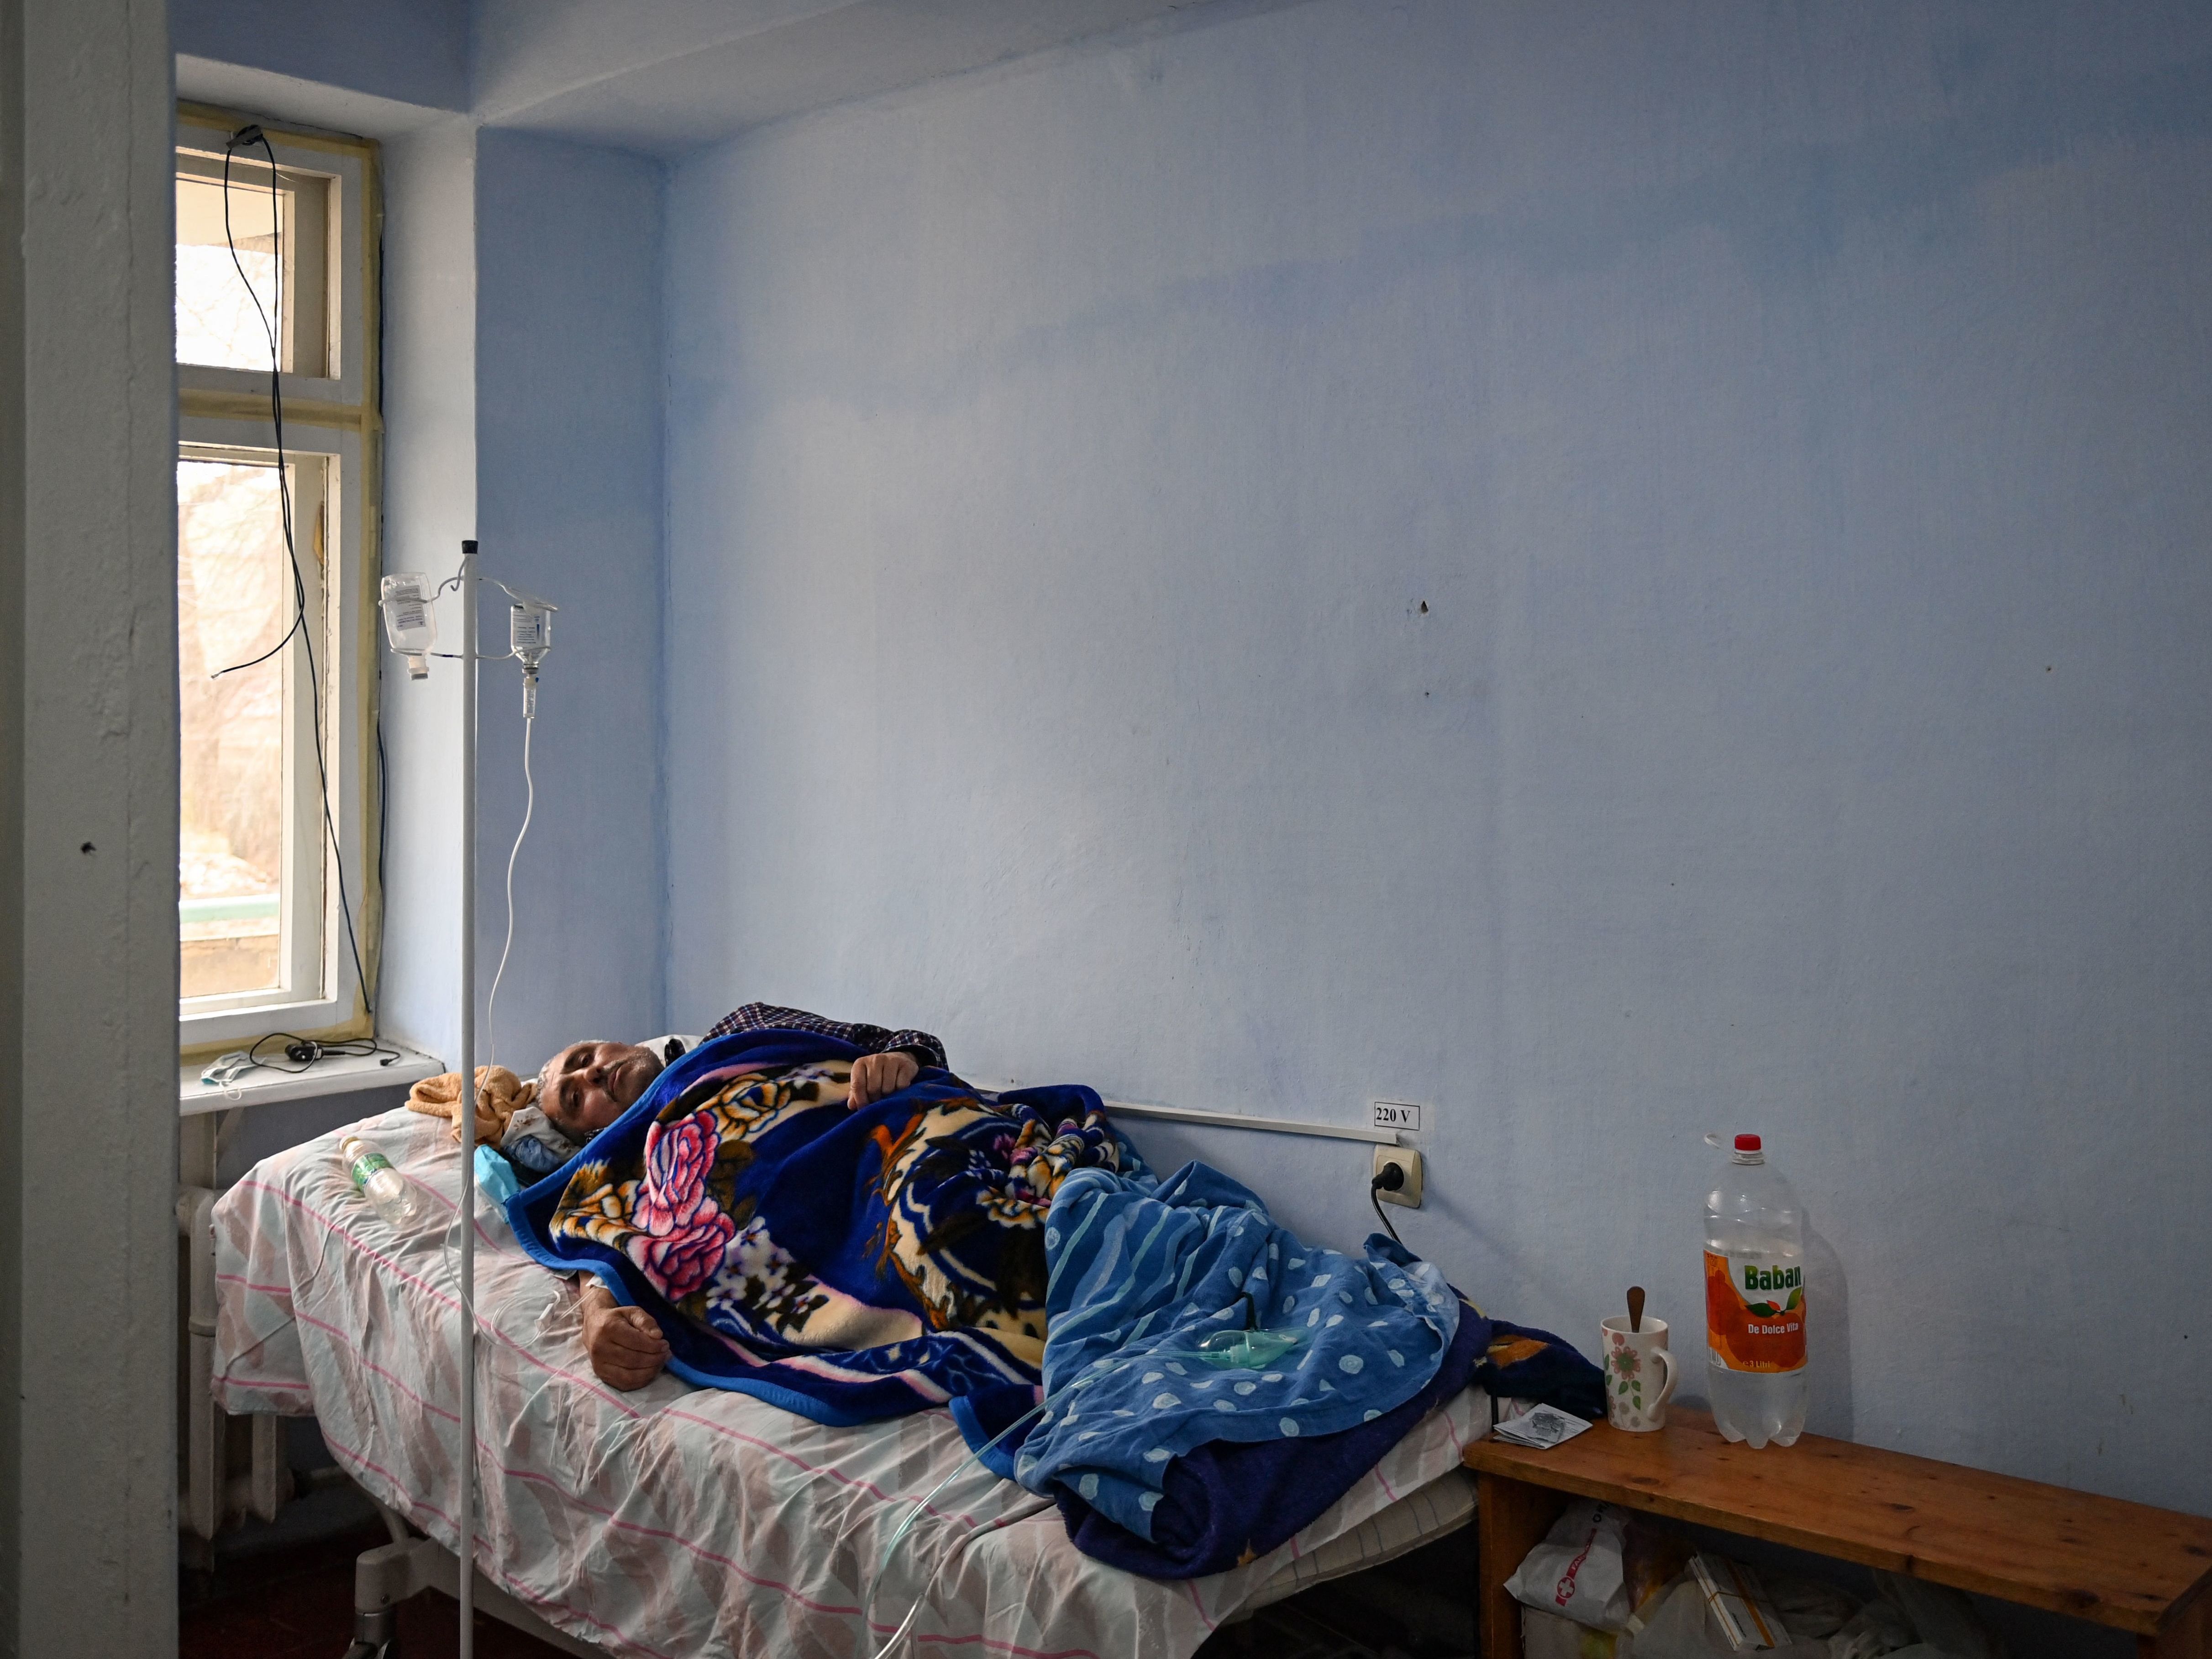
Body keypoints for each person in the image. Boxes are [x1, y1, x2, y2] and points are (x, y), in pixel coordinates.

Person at [515, 1002, 948, 1392]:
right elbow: (593, 1236)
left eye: (587, 1057)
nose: (590, 1073)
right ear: (592, 1138)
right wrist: (596, 1314)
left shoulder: (743, 1029)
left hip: (920, 1143)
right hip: (865, 1238)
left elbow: (901, 1043)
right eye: (576, 1097)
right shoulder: (626, 1175)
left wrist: (898, 1061)